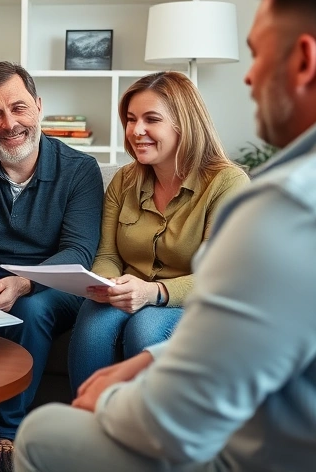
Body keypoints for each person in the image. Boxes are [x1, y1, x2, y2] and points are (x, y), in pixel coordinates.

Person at [14, 0, 316, 472]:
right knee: (103, 324)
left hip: (281, 450)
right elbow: (266, 330)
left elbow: (180, 420)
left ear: (306, 60)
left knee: (44, 432)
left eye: (259, 53)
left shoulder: (295, 203)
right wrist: (152, 361)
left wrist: (103, 405)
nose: (247, 76)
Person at [0, 61, 104, 472]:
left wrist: (24, 282)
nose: (9, 124)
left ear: (39, 107)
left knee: (32, 309)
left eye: (19, 108)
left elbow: (79, 250)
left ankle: (8, 433)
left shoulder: (81, 170)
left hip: (50, 283)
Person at [66, 72, 249, 395]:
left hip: (190, 301)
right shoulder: (124, 181)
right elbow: (107, 255)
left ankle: (143, 437)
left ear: (185, 124)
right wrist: (105, 284)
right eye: (131, 119)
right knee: (93, 324)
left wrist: (154, 293)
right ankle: (85, 429)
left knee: (145, 328)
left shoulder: (227, 184)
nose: (136, 131)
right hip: (128, 293)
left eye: (151, 120)